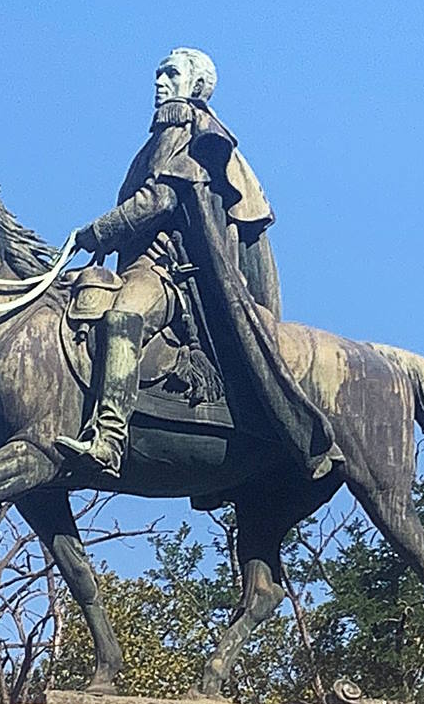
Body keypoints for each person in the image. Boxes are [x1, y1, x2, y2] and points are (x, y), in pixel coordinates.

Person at [60, 47, 339, 479]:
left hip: (165, 273)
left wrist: (95, 232)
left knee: (123, 317)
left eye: (170, 73)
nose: (159, 82)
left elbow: (158, 200)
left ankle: (109, 439)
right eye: (157, 73)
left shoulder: (192, 134)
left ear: (196, 86)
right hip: (135, 267)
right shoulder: (157, 140)